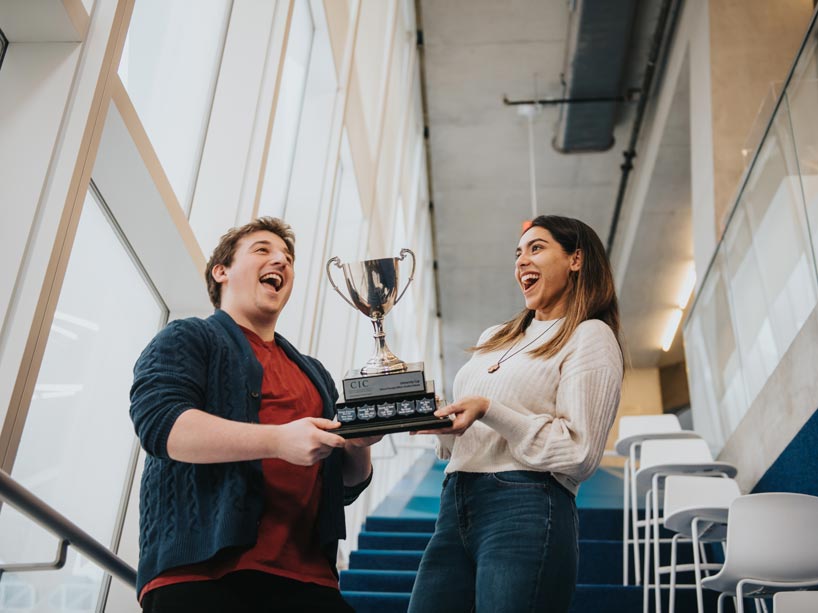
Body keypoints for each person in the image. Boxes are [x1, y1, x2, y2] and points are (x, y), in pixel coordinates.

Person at [130, 217, 379, 613]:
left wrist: (359, 444)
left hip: (310, 579)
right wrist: (279, 440)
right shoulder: (187, 337)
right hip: (202, 577)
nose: (281, 261)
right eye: (263, 250)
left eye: (288, 257)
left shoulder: (315, 374)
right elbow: (162, 427)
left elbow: (346, 485)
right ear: (221, 271)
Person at [408, 215, 624, 613]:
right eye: (518, 253)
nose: (521, 261)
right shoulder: (494, 338)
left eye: (537, 248)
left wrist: (490, 410)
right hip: (455, 502)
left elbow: (579, 452)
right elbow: (465, 438)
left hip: (526, 506)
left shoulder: (589, 335)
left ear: (576, 259)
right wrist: (438, 422)